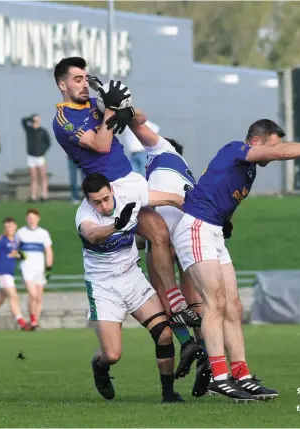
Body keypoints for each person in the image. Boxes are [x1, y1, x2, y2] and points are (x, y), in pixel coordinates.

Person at [173, 119, 300, 401]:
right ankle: (219, 377)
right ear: (256, 141)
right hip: (197, 226)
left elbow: (223, 195)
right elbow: (278, 153)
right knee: (215, 302)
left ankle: (241, 375)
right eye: (273, 143)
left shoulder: (249, 172)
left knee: (234, 305)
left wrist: (226, 220)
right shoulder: (235, 149)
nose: (276, 151)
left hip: (213, 230)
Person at [51, 56, 199, 327]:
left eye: (85, 78)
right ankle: (177, 302)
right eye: (77, 79)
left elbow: (141, 118)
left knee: (165, 229)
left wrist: (127, 112)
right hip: (110, 189)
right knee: (160, 227)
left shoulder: (94, 103)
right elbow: (101, 145)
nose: (84, 84)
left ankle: (178, 312)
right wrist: (110, 109)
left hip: (131, 179)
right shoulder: (63, 119)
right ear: (62, 85)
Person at [76, 173, 183, 402]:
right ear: (87, 200)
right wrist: (117, 225)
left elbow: (170, 199)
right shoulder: (84, 215)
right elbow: (92, 235)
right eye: (96, 202)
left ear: (112, 190)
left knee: (164, 334)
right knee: (113, 354)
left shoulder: (128, 195)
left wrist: (208, 214)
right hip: (103, 286)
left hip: (132, 277)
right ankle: (100, 365)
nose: (103, 205)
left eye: (106, 198)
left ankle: (168, 394)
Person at [127, 117, 207, 392]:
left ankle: (186, 342)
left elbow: (141, 222)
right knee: (195, 298)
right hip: (191, 231)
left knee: (163, 291)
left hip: (165, 227)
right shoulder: (188, 174)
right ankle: (206, 352)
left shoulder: (160, 155)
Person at [0, 217, 27, 331]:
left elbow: (11, 254)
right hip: (3, 273)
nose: (8, 229)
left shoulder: (14, 241)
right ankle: (22, 323)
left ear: (15, 226)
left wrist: (19, 255)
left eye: (11, 226)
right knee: (14, 296)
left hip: (9, 273)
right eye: (6, 227)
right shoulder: (2, 240)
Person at [16, 208, 54, 331]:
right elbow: (14, 250)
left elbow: (48, 250)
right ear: (26, 219)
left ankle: (34, 321)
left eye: (33, 218)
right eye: (29, 218)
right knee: (32, 295)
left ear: (38, 218)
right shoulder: (21, 233)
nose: (31, 220)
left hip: (39, 267)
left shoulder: (43, 233)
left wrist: (48, 267)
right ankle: (33, 320)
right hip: (26, 267)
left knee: (38, 297)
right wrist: (19, 255)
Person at [21, 114, 51, 202]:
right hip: (31, 157)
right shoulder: (29, 130)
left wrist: (43, 151)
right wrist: (30, 118)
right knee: (33, 177)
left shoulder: (43, 131)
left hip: (40, 157)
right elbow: (23, 121)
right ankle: (33, 196)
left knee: (43, 176)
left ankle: (44, 195)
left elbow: (48, 143)